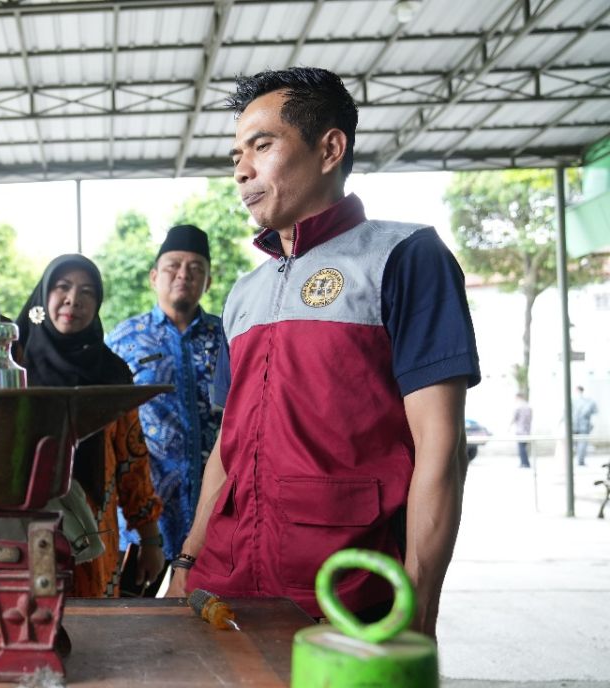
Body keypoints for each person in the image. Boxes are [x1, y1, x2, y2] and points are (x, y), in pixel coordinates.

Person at [166, 67, 480, 637]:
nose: (242, 170)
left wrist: (418, 608)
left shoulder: (404, 257)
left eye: (262, 146)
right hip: (227, 587)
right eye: (237, 153)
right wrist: (187, 561)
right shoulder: (245, 292)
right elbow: (225, 451)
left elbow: (441, 447)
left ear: (329, 148)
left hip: (347, 598)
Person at [17, 254, 164, 598]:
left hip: (95, 536)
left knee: (96, 640)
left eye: (87, 292)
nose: (74, 299)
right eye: (62, 287)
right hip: (22, 534)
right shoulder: (14, 368)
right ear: (43, 296)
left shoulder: (111, 375)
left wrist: (150, 539)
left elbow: (132, 460)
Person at [107, 224, 225, 590]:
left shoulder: (228, 338)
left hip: (214, 508)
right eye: (174, 266)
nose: (184, 274)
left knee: (208, 623)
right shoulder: (123, 340)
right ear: (154, 276)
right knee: (136, 622)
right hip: (147, 515)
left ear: (207, 282)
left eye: (195, 268)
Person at [574, 386, 598, 467]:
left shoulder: (589, 401)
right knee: (580, 444)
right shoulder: (575, 400)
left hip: (581, 425)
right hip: (578, 426)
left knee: (581, 443)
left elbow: (594, 412)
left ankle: (580, 460)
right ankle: (580, 460)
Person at [512, 393, 533, 469]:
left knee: (521, 447)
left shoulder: (518, 406)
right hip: (527, 429)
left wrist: (509, 426)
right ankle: (525, 462)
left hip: (520, 430)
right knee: (523, 446)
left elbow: (514, 417)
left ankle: (525, 463)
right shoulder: (528, 406)